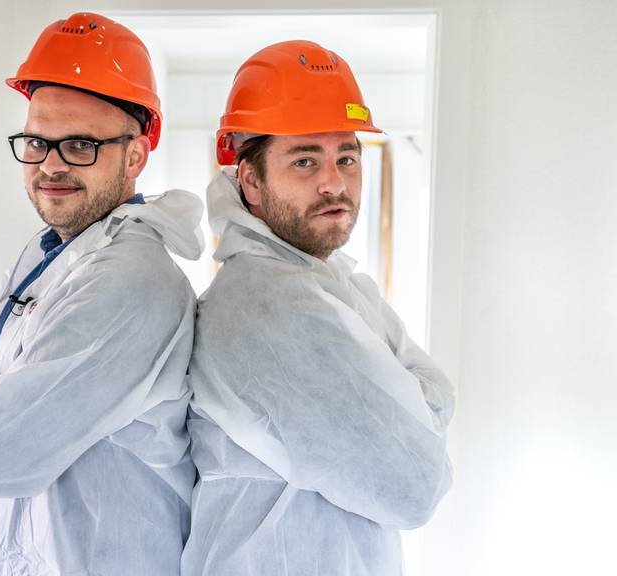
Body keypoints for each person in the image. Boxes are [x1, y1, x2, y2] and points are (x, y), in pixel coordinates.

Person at [0, 12, 203, 576]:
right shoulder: (51, 251)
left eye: (80, 144)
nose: (50, 166)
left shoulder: (128, 280)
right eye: (37, 142)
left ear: (135, 155)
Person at [181, 40, 455, 575]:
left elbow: (436, 394)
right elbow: (413, 486)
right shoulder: (270, 302)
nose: (334, 183)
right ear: (251, 179)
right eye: (305, 160)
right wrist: (410, 405)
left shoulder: (328, 282)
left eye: (346, 158)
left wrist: (415, 410)